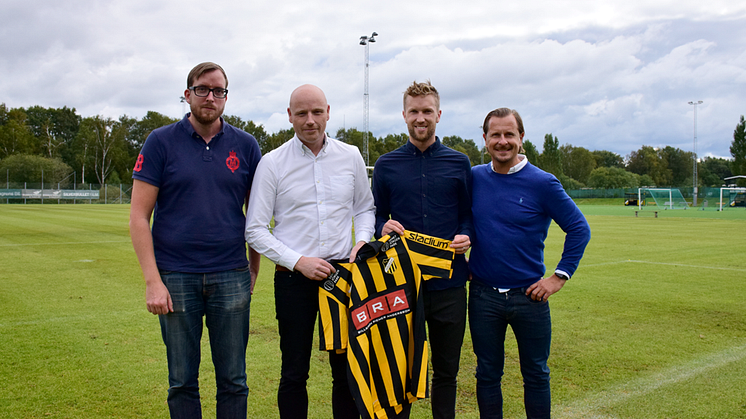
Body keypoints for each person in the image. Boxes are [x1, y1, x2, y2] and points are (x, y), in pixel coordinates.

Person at [129, 62, 262, 419]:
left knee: (234, 380)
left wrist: (253, 268)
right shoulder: (160, 141)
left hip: (231, 275)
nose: (211, 97)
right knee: (182, 382)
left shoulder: (246, 146)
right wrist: (152, 282)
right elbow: (139, 217)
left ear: (226, 97)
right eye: (202, 89)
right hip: (176, 278)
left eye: (219, 91)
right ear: (187, 94)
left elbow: (258, 216)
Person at [244, 84, 375, 419]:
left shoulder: (351, 156)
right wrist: (298, 262)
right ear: (290, 116)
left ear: (328, 111)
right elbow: (255, 229)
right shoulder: (272, 163)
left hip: (342, 278)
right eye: (301, 113)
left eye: (317, 112)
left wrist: (361, 240)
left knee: (345, 370)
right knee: (294, 372)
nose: (310, 120)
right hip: (293, 280)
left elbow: (364, 208)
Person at [468, 108, 591, 419]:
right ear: (485, 140)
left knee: (536, 374)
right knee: (487, 374)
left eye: (510, 134)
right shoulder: (474, 178)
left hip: (530, 298)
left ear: (521, 138)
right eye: (495, 134)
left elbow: (579, 228)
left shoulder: (543, 183)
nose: (502, 141)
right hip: (483, 296)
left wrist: (558, 277)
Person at [371, 80, 473, 419]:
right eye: (414, 111)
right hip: (401, 286)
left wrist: (465, 235)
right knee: (402, 368)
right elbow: (375, 215)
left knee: (446, 371)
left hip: (449, 285)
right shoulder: (386, 164)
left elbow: (468, 216)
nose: (421, 117)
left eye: (427, 111)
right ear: (404, 115)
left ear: (439, 115)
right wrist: (381, 226)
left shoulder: (459, 163)